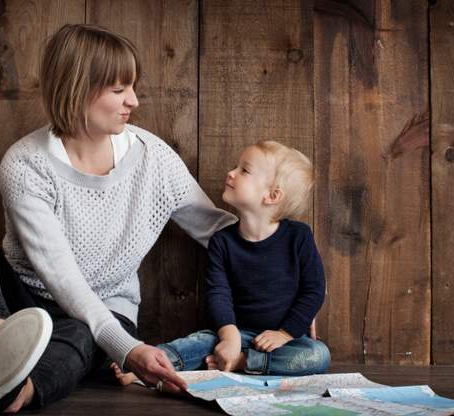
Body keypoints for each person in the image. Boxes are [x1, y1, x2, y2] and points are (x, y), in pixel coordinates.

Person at [0, 23, 236, 416]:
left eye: (132, 87)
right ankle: (2, 342)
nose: (134, 101)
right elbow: (61, 276)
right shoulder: (25, 164)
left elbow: (217, 230)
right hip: (21, 304)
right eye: (119, 89)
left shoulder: (153, 158)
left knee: (80, 334)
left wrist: (289, 278)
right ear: (79, 88)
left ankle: (17, 390)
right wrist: (130, 351)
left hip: (105, 310)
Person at [113, 140, 330, 386]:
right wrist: (229, 336)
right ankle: (146, 367)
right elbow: (218, 293)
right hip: (236, 331)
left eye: (244, 171)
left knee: (318, 355)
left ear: (272, 195)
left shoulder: (298, 237)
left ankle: (241, 363)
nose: (231, 173)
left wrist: (285, 333)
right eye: (236, 167)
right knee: (198, 343)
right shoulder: (223, 241)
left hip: (283, 341)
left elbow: (313, 289)